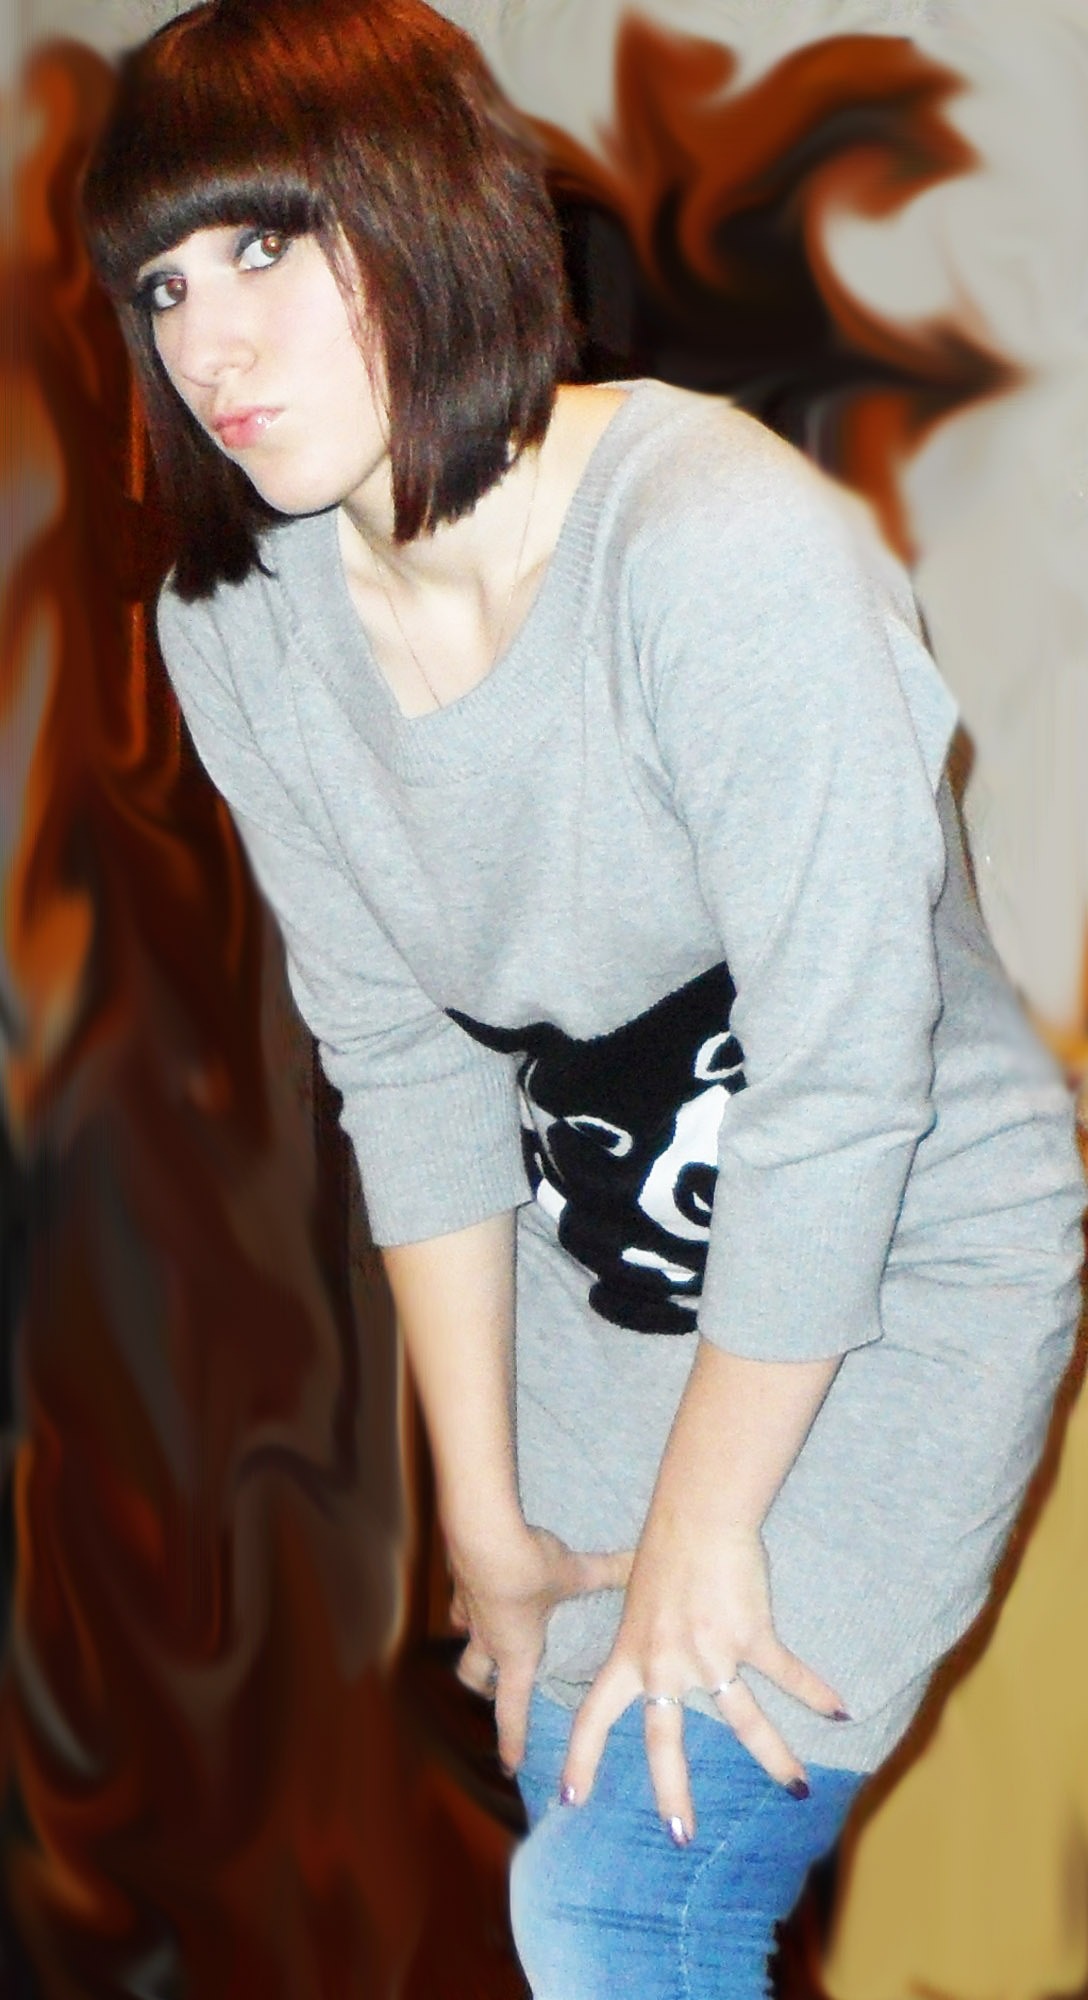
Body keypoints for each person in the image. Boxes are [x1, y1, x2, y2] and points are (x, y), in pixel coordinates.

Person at [80, 1, 1085, 1993]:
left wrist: (708, 1526)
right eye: (166, 283)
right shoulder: (240, 627)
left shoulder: (720, 547)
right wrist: (488, 1522)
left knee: (623, 1897)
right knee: (573, 1789)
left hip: (896, 1257)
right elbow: (402, 1064)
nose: (209, 345)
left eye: (267, 244)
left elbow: (841, 1083)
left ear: (429, 209)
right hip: (608, 1284)